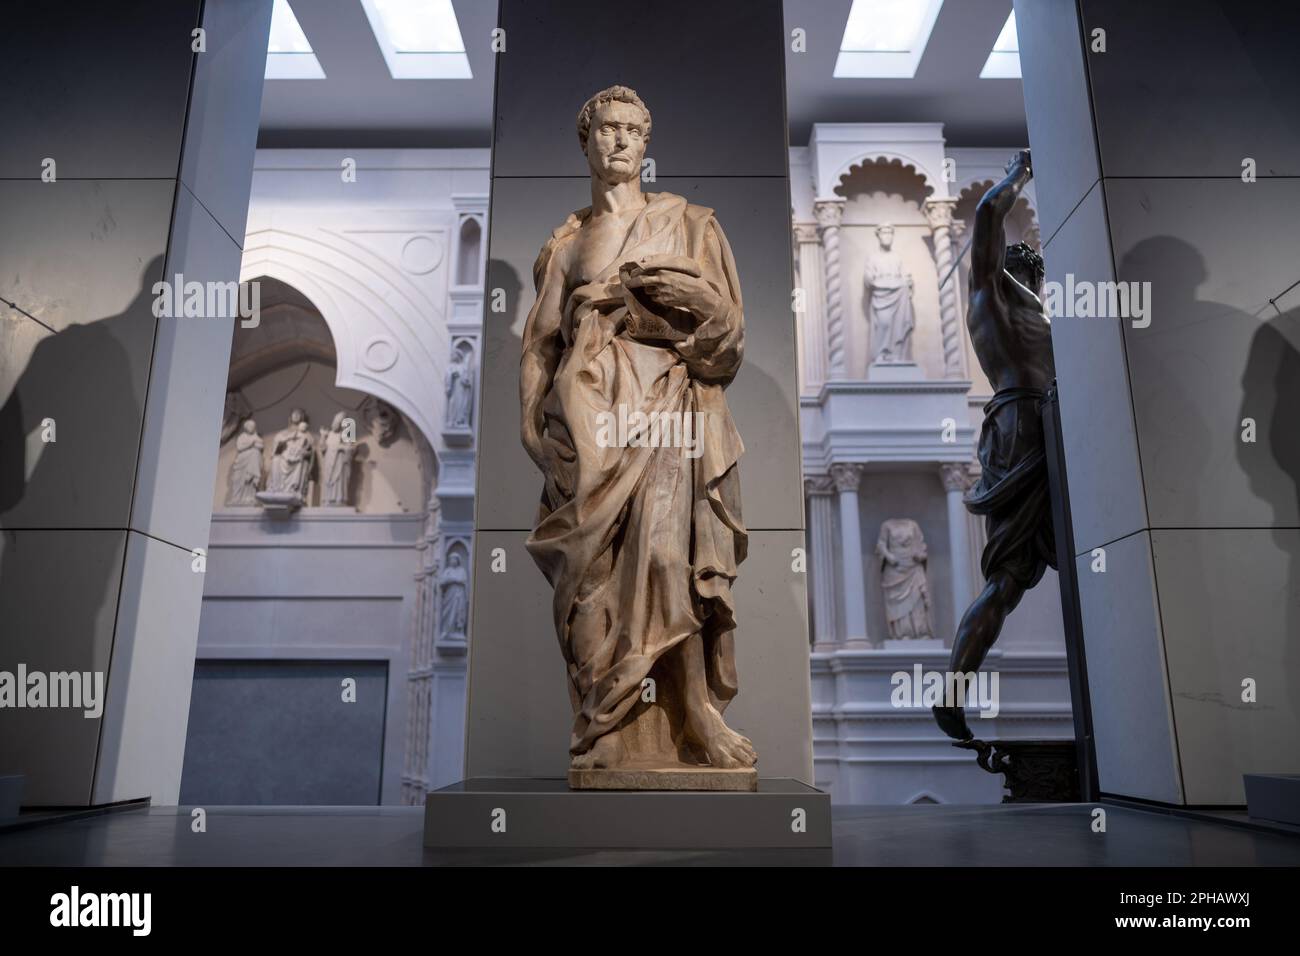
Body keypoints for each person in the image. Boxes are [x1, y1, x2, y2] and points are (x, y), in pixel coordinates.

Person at [519, 85, 755, 775]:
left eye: (632, 130)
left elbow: (729, 334)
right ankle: (601, 727)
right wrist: (532, 431)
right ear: (586, 142)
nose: (619, 141)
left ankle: (698, 715)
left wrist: (698, 302)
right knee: (590, 577)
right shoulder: (567, 245)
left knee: (666, 561)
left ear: (646, 144)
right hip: (589, 416)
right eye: (606, 130)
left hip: (667, 406)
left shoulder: (689, 224)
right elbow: (538, 345)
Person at [934, 149, 1057, 741]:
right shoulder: (992, 294)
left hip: (1055, 424)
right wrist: (1018, 173)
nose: (1026, 267)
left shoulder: (1039, 310)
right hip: (1020, 423)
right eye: (1022, 260)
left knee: (1086, 563)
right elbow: (986, 212)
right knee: (1006, 579)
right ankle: (952, 693)